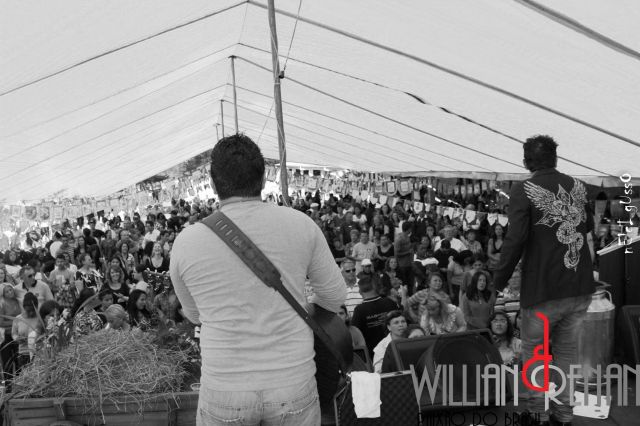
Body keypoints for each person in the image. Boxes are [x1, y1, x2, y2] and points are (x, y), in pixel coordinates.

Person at [170, 134, 346, 425]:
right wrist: (299, 310)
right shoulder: (301, 224)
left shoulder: (187, 241)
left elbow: (194, 314)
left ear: (212, 183)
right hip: (292, 379)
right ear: (263, 179)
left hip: (226, 386)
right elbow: (334, 296)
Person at [493, 135, 595, 426]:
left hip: (543, 290)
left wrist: (498, 281)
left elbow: (515, 240)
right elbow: (588, 225)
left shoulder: (523, 190)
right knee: (566, 354)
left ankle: (537, 414)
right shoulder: (579, 186)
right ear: (556, 158)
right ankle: (564, 415)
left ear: (526, 161)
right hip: (578, 286)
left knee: (536, 355)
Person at [350, 275, 400, 357]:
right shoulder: (390, 302)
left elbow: (355, 334)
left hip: (372, 354)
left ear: (360, 291)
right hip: (394, 349)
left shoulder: (359, 310)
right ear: (375, 288)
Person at [11, 293, 42, 372]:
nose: (31, 313)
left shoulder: (41, 319)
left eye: (33, 310)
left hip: (38, 354)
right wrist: (17, 338)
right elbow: (14, 334)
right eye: (28, 311)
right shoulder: (18, 319)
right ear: (24, 307)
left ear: (36, 307)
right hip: (23, 354)